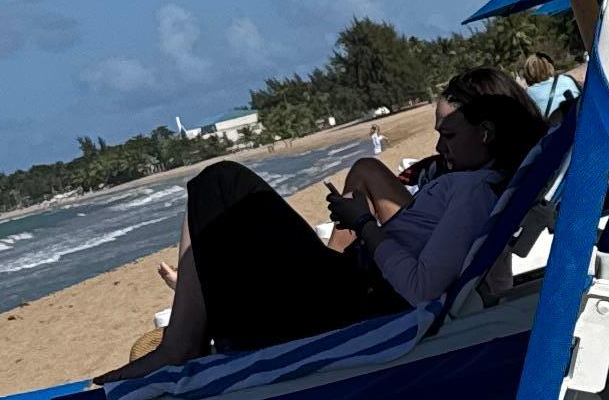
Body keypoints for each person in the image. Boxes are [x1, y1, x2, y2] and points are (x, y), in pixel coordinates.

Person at [150, 65, 547, 366]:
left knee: (221, 182)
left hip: (348, 299)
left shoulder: (475, 191)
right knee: (219, 193)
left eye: (450, 135)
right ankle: (192, 321)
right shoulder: (476, 182)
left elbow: (421, 287)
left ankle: (185, 339)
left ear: (486, 133)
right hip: (349, 286)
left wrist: (363, 223)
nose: (440, 145)